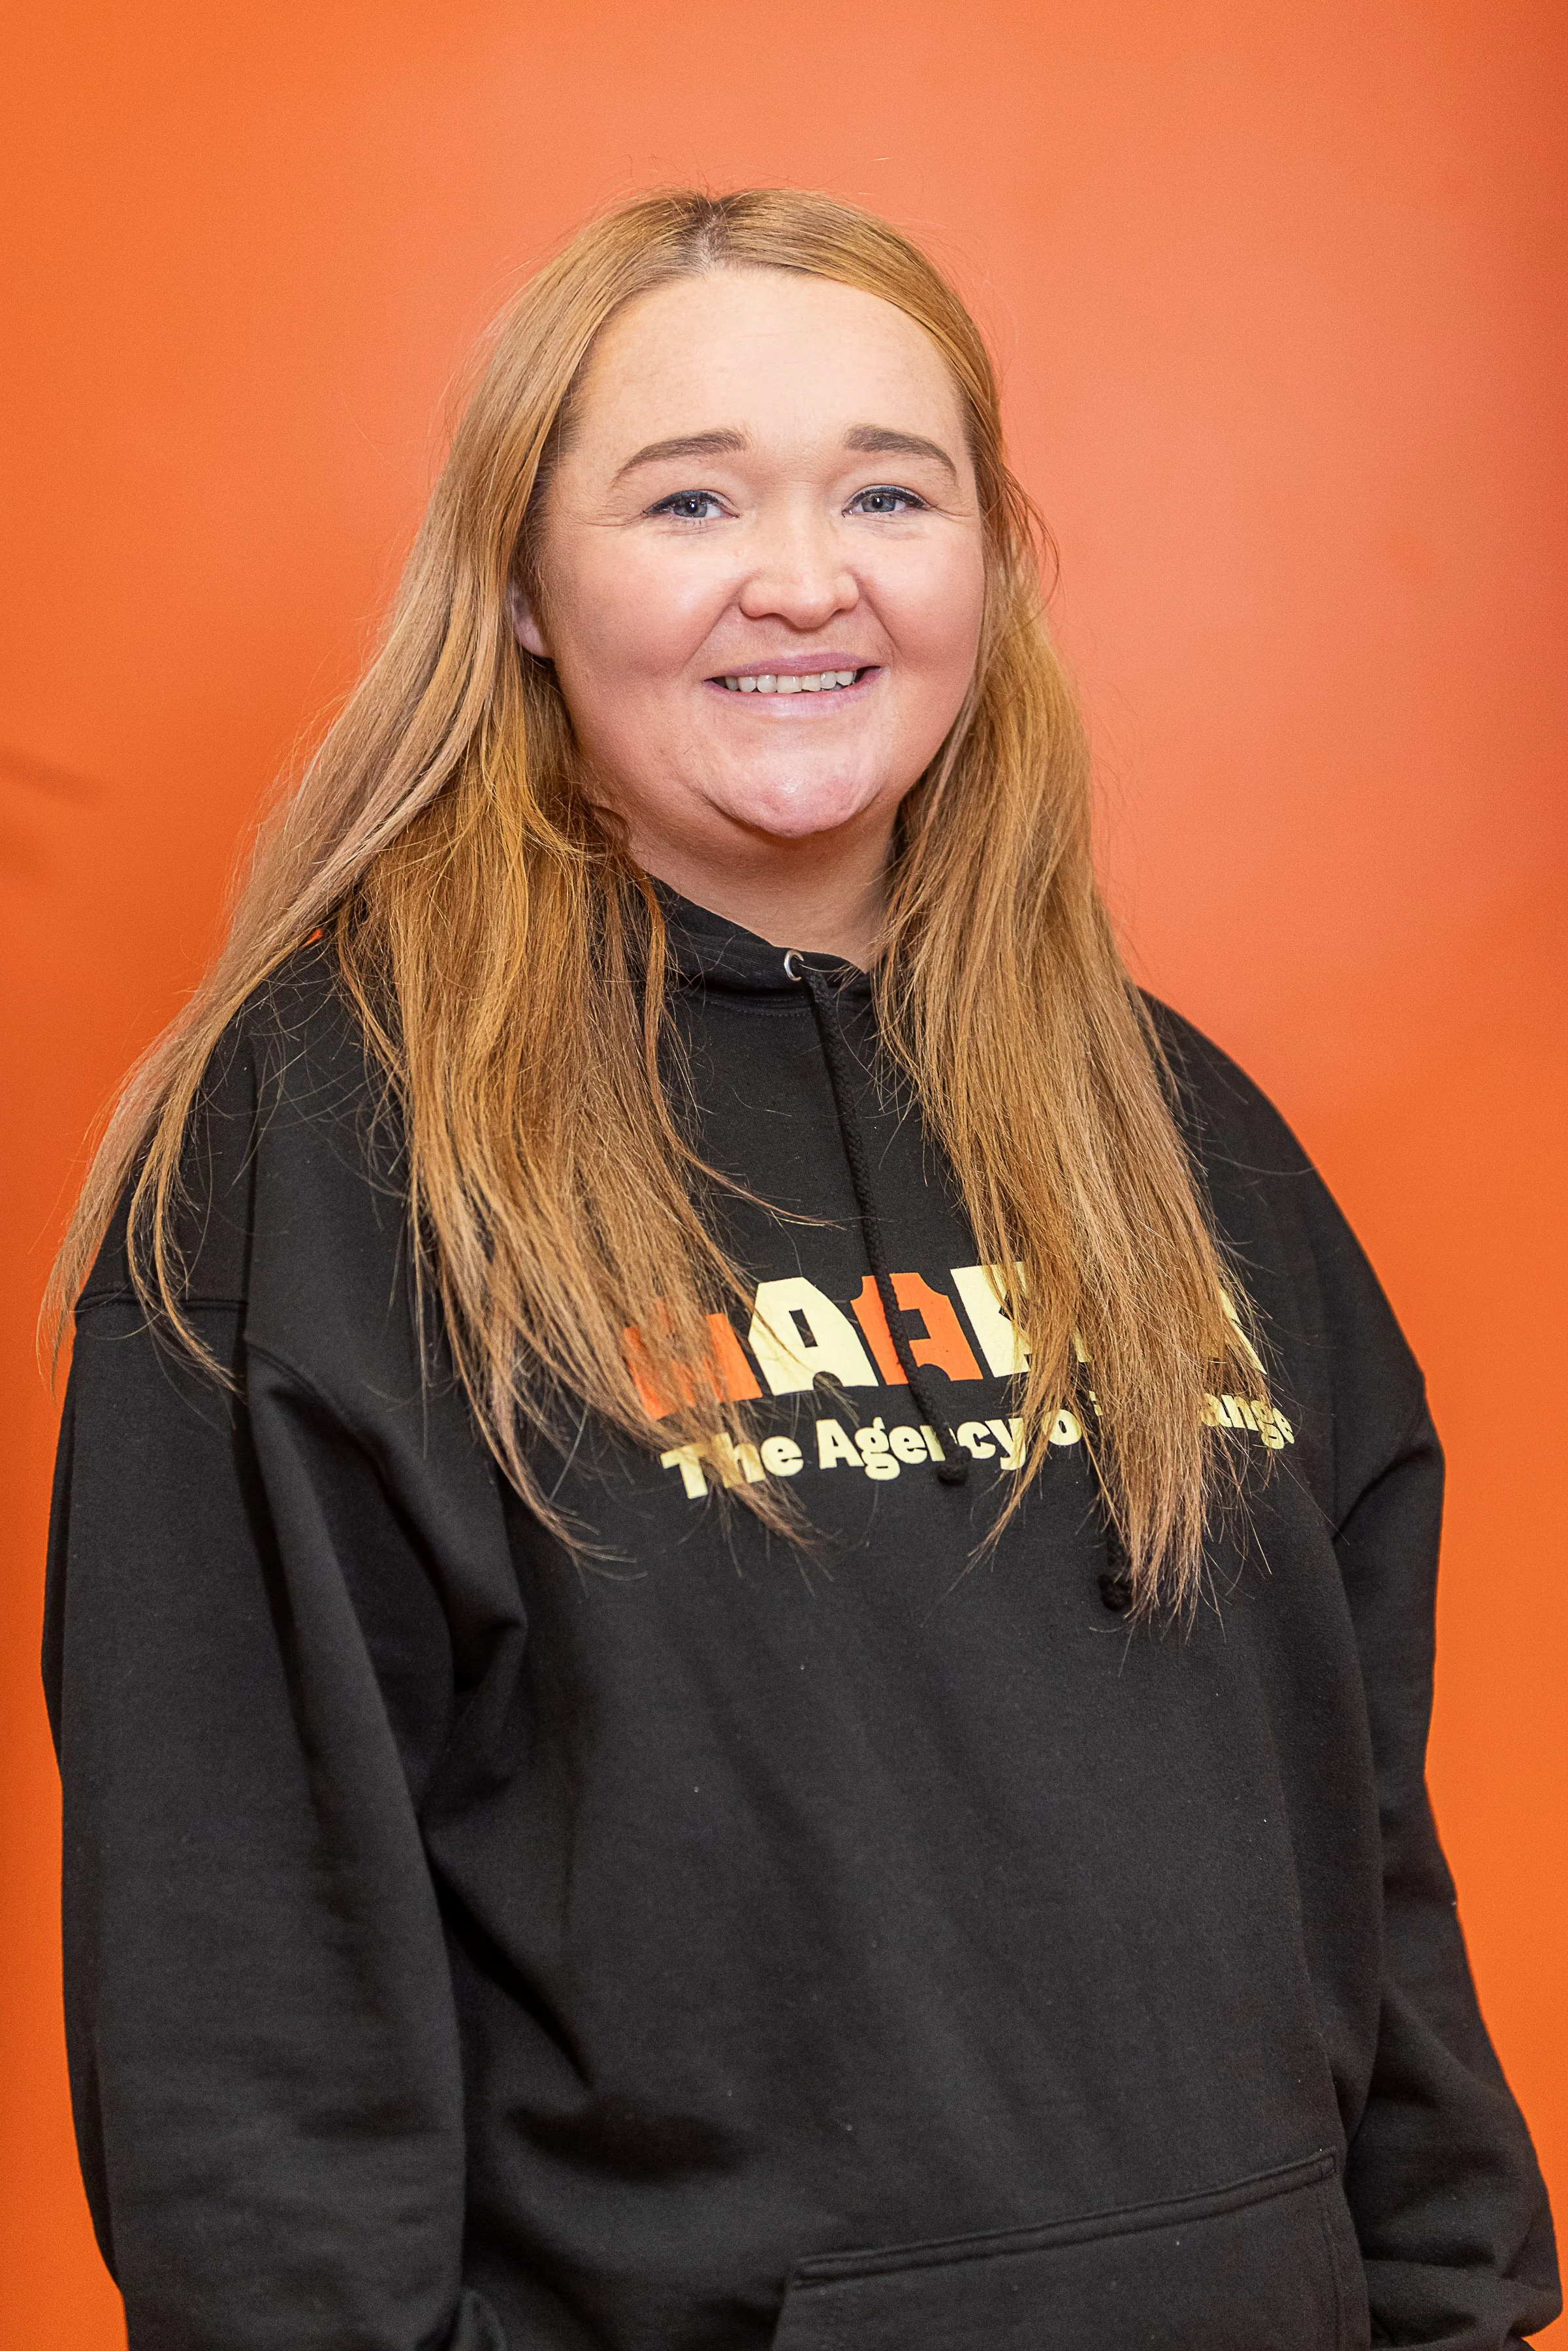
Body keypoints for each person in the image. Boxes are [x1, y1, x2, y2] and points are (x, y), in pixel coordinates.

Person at [44, 188, 1556, 2351]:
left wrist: (1458, 2303)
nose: (807, 576)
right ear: (527, 588)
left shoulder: (1184, 1139)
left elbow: (1366, 1864)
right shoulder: (318, 1160)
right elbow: (249, 2072)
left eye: (887, 489)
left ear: (988, 563)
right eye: (689, 498)